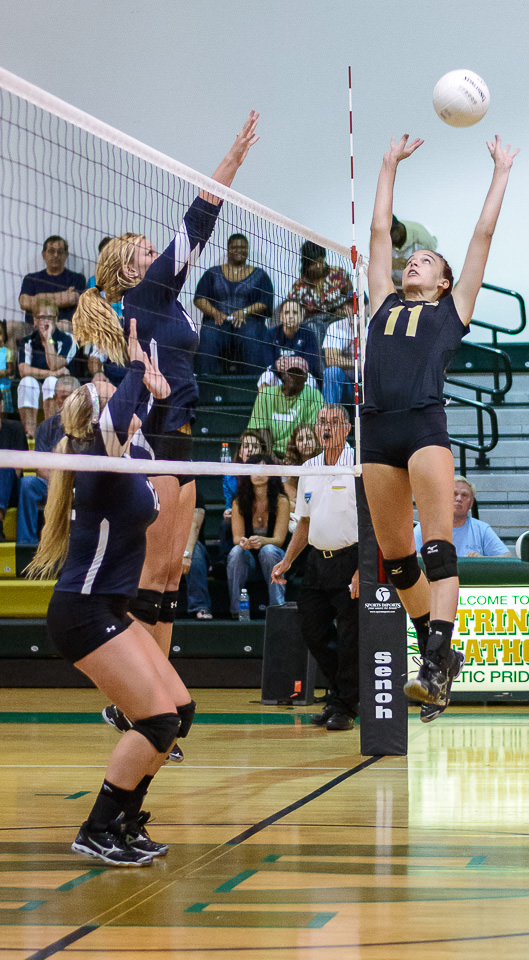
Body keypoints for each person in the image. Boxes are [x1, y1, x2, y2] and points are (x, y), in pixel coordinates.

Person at [72, 112, 259, 758]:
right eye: (143, 252)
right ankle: (137, 703)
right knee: (152, 576)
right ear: (129, 272)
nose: (156, 254)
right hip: (151, 438)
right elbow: (198, 221)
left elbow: (191, 239)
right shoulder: (149, 294)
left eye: (152, 251)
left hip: (180, 435)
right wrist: (231, 160)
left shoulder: (165, 302)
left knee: (173, 574)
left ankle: (152, 698)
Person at [362, 132, 518, 722]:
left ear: (444, 281)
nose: (412, 261)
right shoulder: (381, 301)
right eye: (412, 259)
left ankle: (433, 657)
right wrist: (387, 164)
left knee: (436, 547)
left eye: (425, 261)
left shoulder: (452, 311)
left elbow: (482, 237)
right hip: (376, 429)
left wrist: (500, 172)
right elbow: (380, 234)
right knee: (397, 560)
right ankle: (441, 655)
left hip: (424, 426)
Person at [24, 332, 194, 866]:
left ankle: (124, 821)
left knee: (180, 713)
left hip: (108, 611)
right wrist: (139, 359)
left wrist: (158, 392)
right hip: (83, 613)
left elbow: (157, 428)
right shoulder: (97, 460)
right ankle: (96, 829)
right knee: (157, 722)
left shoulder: (127, 454)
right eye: (107, 391)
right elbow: (121, 407)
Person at [271, 404, 359, 731]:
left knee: (351, 638)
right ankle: (343, 695)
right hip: (316, 563)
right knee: (313, 630)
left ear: (347, 429)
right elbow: (304, 523)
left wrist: (363, 568)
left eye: (335, 422)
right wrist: (287, 560)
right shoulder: (309, 467)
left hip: (351, 558)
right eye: (323, 421)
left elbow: (373, 521)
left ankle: (344, 706)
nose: (327, 427)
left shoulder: (357, 465)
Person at [194, 233, 274, 374]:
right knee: (209, 335)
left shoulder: (260, 275)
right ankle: (205, 382)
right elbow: (200, 298)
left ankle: (255, 383)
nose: (239, 250)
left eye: (243, 247)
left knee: (251, 335)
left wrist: (244, 312)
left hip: (249, 323)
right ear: (228, 248)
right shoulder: (213, 273)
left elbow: (265, 302)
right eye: (235, 247)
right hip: (218, 322)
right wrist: (215, 313)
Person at [16, 375, 79, 544]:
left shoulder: (90, 426)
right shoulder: (46, 427)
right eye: (59, 398)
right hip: (53, 484)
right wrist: (60, 483)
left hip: (82, 484)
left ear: (77, 397)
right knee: (28, 484)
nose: (62, 403)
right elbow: (40, 468)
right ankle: (26, 543)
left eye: (66, 397)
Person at [226, 457, 289, 617]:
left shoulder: (281, 500)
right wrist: (244, 542)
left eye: (263, 469)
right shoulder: (239, 501)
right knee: (236, 552)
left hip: (275, 561)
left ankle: (277, 608)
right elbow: (237, 539)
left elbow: (279, 540)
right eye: (254, 469)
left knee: (268, 550)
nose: (258, 474)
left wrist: (262, 541)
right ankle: (236, 610)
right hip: (249, 563)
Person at [17, 302, 78, 437]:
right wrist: (53, 373)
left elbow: (55, 364)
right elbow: (23, 371)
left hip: (59, 387)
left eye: (50, 317)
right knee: (26, 382)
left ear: (56, 320)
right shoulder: (27, 341)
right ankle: (30, 436)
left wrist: (48, 340)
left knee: (51, 382)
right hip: (36, 386)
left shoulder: (67, 339)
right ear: (34, 320)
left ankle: (49, 435)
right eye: (42, 317)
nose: (46, 321)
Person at [414, 475, 511, 557]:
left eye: (464, 495)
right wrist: (431, 559)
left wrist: (482, 560)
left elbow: (507, 557)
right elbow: (409, 556)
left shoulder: (481, 529)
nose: (459, 498)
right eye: (454, 494)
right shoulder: (425, 528)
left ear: (471, 503)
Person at [17, 235, 86, 343]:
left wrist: (36, 299)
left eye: (60, 252)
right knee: (9, 327)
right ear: (44, 254)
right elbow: (24, 302)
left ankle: (57, 359)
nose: (55, 255)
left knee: (64, 326)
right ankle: (18, 360)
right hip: (33, 327)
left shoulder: (77, 279)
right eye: (51, 251)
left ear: (66, 255)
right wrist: (62, 297)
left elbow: (72, 299)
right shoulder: (31, 278)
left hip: (61, 327)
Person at [247, 365, 322, 459]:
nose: (295, 377)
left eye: (299, 374)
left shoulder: (314, 396)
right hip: (269, 454)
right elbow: (261, 428)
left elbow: (309, 431)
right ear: (283, 375)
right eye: (291, 373)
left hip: (299, 454)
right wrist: (272, 458)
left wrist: (291, 457)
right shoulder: (265, 394)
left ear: (305, 378)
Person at [257, 298, 322, 393]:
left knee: (310, 379)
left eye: (295, 313)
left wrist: (291, 365)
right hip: (280, 378)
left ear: (301, 317)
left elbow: (312, 365)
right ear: (281, 317)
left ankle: (304, 408)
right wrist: (276, 365)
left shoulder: (308, 334)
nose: (291, 316)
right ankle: (265, 407)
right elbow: (267, 364)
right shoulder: (271, 334)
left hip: (301, 378)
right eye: (287, 313)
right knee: (266, 377)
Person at [0, 390, 28, 540]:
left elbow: (18, 470)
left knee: (3, 466)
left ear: (1, 406)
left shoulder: (15, 428)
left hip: (11, 488)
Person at [322, 294, 359, 407]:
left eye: (358, 304)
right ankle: (331, 417)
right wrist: (358, 364)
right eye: (350, 305)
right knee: (332, 372)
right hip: (346, 384)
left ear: (366, 306)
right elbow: (331, 360)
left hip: (368, 383)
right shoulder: (336, 327)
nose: (354, 309)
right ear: (345, 308)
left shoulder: (373, 325)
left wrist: (359, 332)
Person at [282, 422, 322, 513]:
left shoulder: (323, 463)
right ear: (294, 444)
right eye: (300, 440)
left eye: (309, 438)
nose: (305, 443)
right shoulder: (289, 466)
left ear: (316, 440)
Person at [390, 215, 437, 289]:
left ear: (398, 229)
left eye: (389, 236)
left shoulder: (423, 239)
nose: (385, 241)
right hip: (392, 291)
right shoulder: (378, 238)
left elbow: (430, 273)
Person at [0, 323, 15, 412]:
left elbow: (11, 370)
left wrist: (4, 372)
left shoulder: (7, 352)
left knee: (3, 412)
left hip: (3, 388)